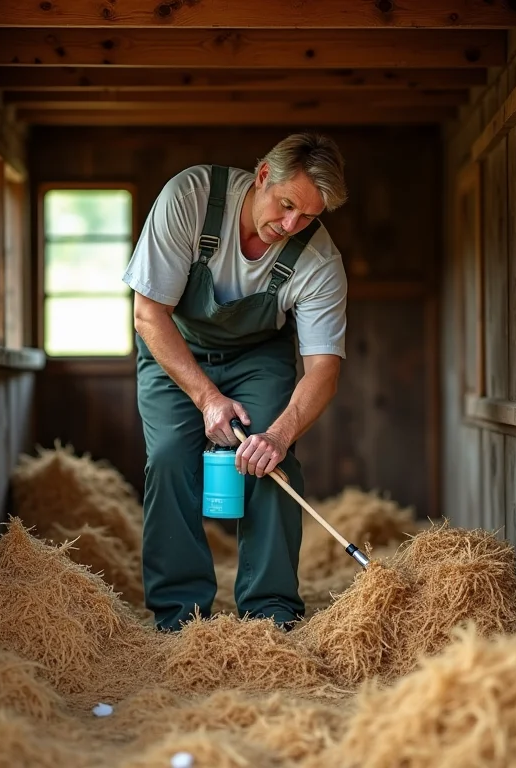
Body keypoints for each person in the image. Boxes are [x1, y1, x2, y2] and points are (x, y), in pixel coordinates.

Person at [121, 132, 348, 632]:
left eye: (308, 217)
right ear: (263, 175)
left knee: (269, 460)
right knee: (170, 458)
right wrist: (207, 398)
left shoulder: (319, 262)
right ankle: (179, 617)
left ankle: (270, 612)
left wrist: (278, 435)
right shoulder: (190, 199)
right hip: (174, 346)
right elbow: (148, 313)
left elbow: (324, 369)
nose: (291, 226)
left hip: (257, 357)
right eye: (286, 206)